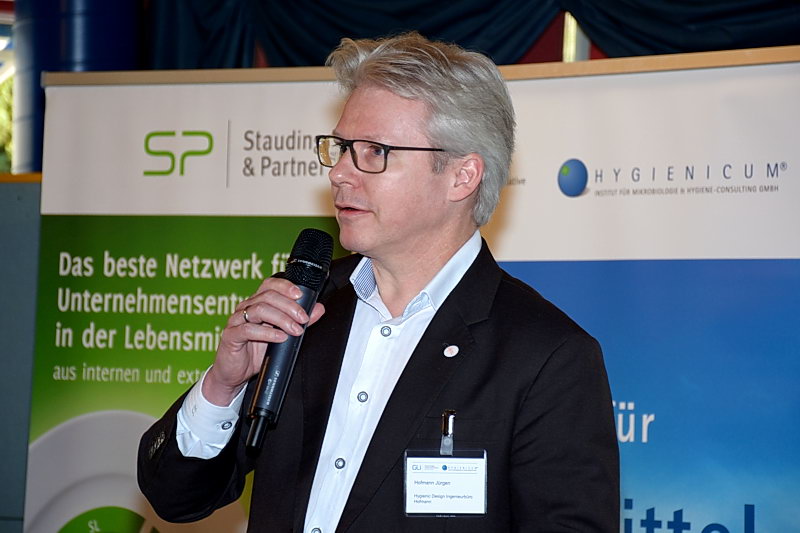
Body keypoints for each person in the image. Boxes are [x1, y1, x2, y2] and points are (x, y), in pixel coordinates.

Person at [138, 32, 619, 532]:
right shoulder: (303, 308)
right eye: (342, 148)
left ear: (462, 176)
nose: (340, 174)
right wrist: (224, 385)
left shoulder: (546, 356)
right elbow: (174, 497)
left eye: (374, 151)